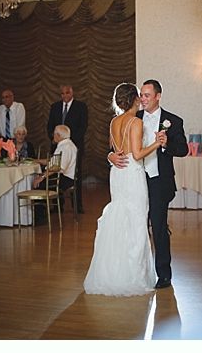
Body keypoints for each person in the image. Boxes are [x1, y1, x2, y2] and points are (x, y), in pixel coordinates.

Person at [84, 83, 162, 296]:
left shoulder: (113, 122)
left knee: (119, 217)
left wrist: (111, 156)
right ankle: (133, 276)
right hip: (132, 173)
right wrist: (157, 143)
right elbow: (137, 154)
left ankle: (113, 272)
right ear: (134, 99)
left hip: (117, 173)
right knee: (136, 221)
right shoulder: (135, 122)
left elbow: (114, 150)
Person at [109, 79, 188, 290]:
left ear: (158, 96)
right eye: (141, 95)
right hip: (135, 180)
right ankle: (136, 271)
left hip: (159, 182)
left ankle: (163, 274)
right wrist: (110, 155)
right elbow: (119, 146)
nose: (143, 99)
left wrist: (166, 143)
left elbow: (183, 150)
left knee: (158, 227)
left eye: (147, 95)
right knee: (135, 226)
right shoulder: (134, 118)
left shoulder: (173, 120)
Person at [47, 84, 89, 213]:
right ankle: (57, 205)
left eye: (67, 93)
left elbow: (83, 127)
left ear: (72, 93)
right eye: (62, 94)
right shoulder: (55, 107)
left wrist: (68, 141)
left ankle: (77, 205)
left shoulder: (81, 107)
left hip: (74, 146)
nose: (65, 96)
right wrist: (55, 139)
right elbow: (49, 126)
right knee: (55, 173)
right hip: (57, 145)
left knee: (75, 176)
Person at [32, 125, 77, 194]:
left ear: (58, 135)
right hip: (68, 178)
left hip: (66, 179)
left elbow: (56, 167)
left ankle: (45, 205)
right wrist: (37, 161)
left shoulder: (65, 147)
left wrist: (42, 177)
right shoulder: (69, 144)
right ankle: (57, 204)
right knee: (41, 180)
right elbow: (53, 161)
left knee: (38, 183)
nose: (53, 136)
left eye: (54, 134)